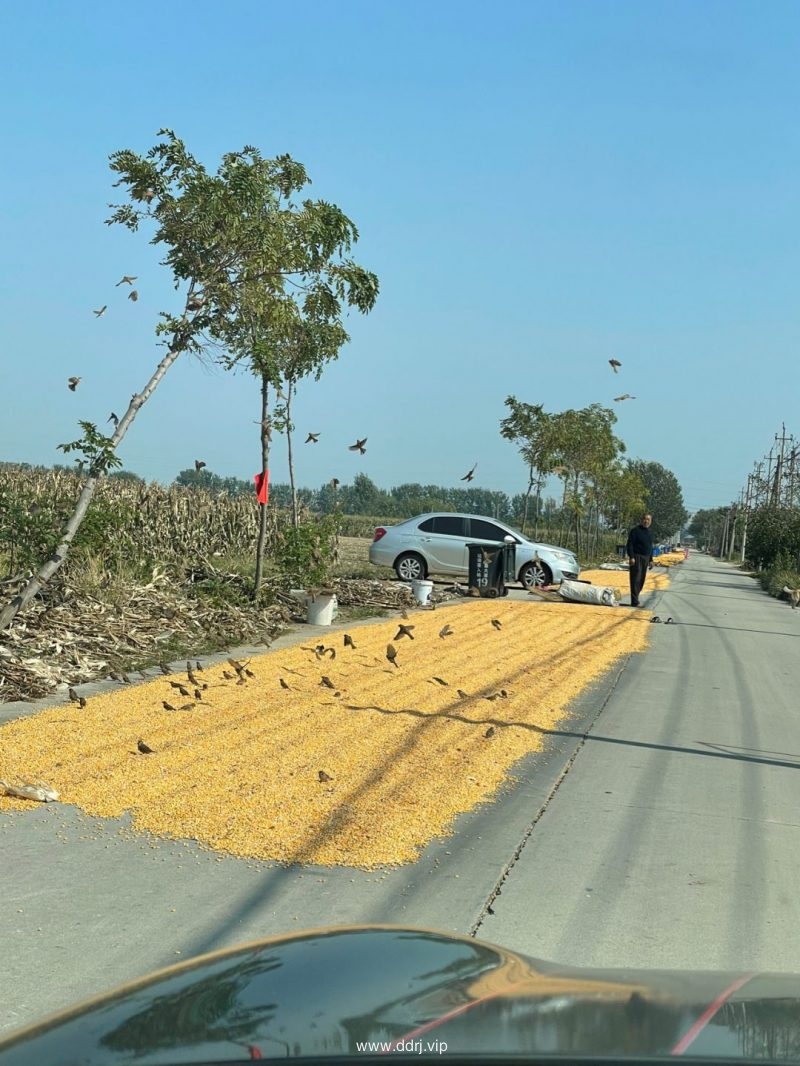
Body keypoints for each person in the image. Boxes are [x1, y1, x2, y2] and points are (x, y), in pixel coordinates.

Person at [626, 513, 654, 607]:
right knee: (635, 579)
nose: (646, 521)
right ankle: (634, 601)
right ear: (641, 520)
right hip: (637, 557)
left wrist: (651, 560)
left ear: (650, 522)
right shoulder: (635, 531)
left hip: (646, 558)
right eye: (645, 519)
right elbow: (630, 544)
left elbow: (650, 547)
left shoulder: (649, 532)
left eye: (648, 520)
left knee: (641, 579)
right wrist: (632, 557)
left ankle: (636, 597)